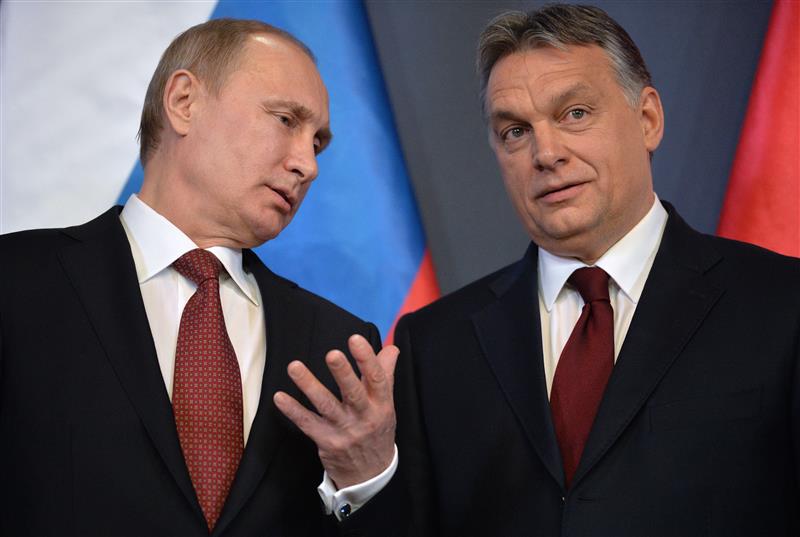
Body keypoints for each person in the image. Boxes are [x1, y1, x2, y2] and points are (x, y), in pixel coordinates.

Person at [389, 5, 800, 536]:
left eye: (575, 113)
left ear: (647, 119)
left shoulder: (782, 305)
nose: (546, 153)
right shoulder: (434, 344)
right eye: (515, 131)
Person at [0, 18, 398, 537]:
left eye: (317, 143)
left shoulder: (339, 347)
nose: (308, 165)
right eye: (285, 120)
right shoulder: (17, 281)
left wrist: (363, 480)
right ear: (184, 102)